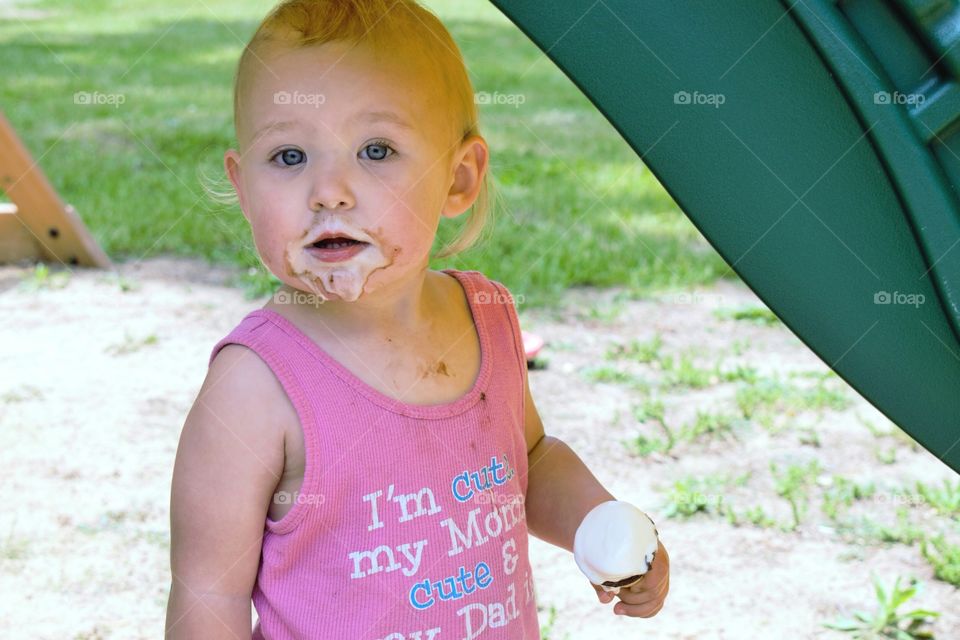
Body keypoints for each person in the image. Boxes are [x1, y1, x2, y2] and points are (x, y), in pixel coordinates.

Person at [164, 1, 669, 637]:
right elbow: (207, 594)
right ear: (243, 187)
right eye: (289, 156)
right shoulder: (253, 387)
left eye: (376, 149)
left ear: (459, 179)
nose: (328, 190)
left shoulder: (485, 317)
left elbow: (529, 459)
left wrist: (598, 523)